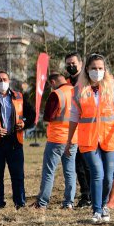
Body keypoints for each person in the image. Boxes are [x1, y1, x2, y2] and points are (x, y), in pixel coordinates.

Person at [65, 54, 114, 224]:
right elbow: (74, 116)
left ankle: (104, 205)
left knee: (108, 177)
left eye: (100, 68)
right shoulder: (79, 89)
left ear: (105, 69)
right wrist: (68, 140)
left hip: (108, 138)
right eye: (94, 68)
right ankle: (96, 210)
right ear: (87, 70)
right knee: (97, 173)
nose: (97, 71)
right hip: (88, 139)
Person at [0, 71, 36, 209]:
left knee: (18, 175)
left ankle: (20, 203)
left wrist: (24, 124)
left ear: (9, 80)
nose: (2, 82)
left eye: (4, 79)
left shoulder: (19, 96)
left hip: (14, 142)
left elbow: (32, 114)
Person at [33, 72, 77, 210]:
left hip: (57, 139)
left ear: (52, 82)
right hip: (73, 138)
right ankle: (69, 202)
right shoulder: (76, 91)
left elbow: (48, 116)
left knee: (49, 171)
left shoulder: (56, 94)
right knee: (70, 171)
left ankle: (42, 203)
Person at [65, 52, 91, 208]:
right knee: (79, 165)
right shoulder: (66, 83)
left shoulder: (87, 81)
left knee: (89, 165)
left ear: (81, 64)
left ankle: (95, 195)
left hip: (89, 129)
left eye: (73, 63)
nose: (71, 66)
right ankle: (86, 195)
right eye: (68, 63)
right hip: (74, 131)